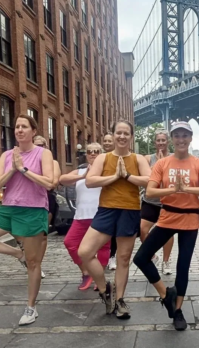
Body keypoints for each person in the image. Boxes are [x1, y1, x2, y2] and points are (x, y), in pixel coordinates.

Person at [0, 115, 54, 325]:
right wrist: (13, 168)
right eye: (17, 127)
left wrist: (23, 169)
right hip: (8, 208)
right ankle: (17, 253)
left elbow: (49, 183)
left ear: (33, 131)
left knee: (34, 263)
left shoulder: (43, 153)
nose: (19, 130)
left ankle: (31, 308)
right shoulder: (7, 155)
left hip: (33, 210)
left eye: (24, 126)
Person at [133, 122, 199, 330]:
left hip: (190, 218)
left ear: (190, 138)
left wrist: (186, 189)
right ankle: (165, 294)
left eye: (185, 135)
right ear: (172, 139)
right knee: (141, 258)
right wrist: (172, 190)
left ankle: (177, 310)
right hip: (167, 217)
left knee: (183, 266)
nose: (181, 139)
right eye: (177, 135)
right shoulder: (163, 163)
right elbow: (150, 192)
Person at [78, 120, 151, 320]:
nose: (122, 136)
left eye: (126, 133)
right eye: (119, 132)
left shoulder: (138, 159)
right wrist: (114, 177)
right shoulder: (103, 158)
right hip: (106, 210)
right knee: (85, 252)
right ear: (113, 134)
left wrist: (127, 176)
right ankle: (105, 290)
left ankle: (119, 300)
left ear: (131, 136)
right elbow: (90, 181)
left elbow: (150, 180)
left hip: (129, 211)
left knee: (123, 258)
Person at [60, 142, 111, 289]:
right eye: (89, 151)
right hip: (81, 216)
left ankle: (99, 279)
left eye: (96, 151)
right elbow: (62, 179)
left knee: (103, 247)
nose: (92, 154)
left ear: (101, 154)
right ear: (86, 155)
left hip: (101, 215)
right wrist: (83, 176)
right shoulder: (80, 171)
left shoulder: (106, 171)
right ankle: (86, 272)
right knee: (70, 243)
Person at [140, 130, 175, 275]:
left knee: (168, 233)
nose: (161, 143)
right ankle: (153, 256)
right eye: (158, 140)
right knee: (142, 230)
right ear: (154, 142)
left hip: (167, 201)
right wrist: (159, 164)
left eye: (163, 140)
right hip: (150, 201)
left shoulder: (174, 157)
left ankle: (166, 261)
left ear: (168, 142)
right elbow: (146, 177)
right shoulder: (148, 158)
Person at [34, 135, 59, 279]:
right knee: (28, 236)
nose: (39, 148)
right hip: (28, 200)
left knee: (42, 235)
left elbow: (52, 183)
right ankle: (29, 260)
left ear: (46, 147)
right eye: (36, 145)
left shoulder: (53, 163)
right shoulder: (28, 161)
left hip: (47, 199)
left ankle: (38, 265)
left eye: (42, 145)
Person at [101, 132, 118, 271]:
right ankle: (102, 256)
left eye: (109, 141)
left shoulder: (117, 158)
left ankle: (112, 256)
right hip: (98, 199)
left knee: (113, 232)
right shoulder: (100, 158)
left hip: (114, 199)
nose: (107, 143)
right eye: (105, 141)